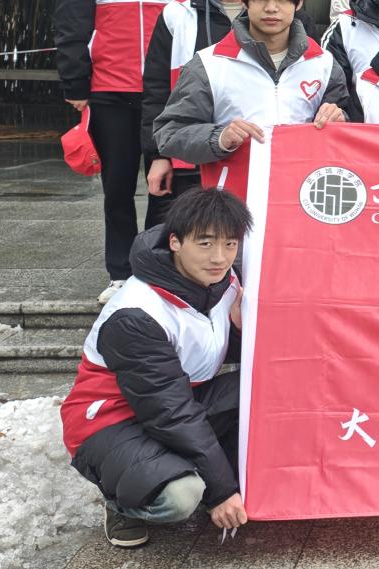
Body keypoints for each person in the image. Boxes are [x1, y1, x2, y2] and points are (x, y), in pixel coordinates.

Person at [60, 187, 253, 548]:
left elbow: (204, 349)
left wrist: (240, 330)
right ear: (175, 242)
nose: (219, 256)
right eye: (206, 243)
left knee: (265, 392)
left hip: (178, 402)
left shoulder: (223, 282)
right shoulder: (137, 313)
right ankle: (122, 503)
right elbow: (169, 412)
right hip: (112, 422)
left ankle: (175, 468)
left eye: (230, 244)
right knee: (181, 495)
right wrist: (222, 491)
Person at [54, 0, 201, 304]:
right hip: (110, 89)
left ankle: (157, 266)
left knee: (167, 185)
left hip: (168, 93)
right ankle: (120, 272)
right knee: (117, 186)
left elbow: (199, 20)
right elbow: (71, 20)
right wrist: (76, 84)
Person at [153, 0, 349, 200]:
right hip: (231, 204)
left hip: (303, 199)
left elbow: (347, 126)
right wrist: (219, 137)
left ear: (298, 3)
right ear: (244, 1)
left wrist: (340, 117)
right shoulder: (209, 64)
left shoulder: (323, 63)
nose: (271, 8)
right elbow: (170, 133)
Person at [142, 0, 262, 214]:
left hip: (259, 153)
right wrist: (158, 155)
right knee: (186, 234)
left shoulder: (274, 13)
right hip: (190, 157)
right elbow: (156, 88)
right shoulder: (177, 13)